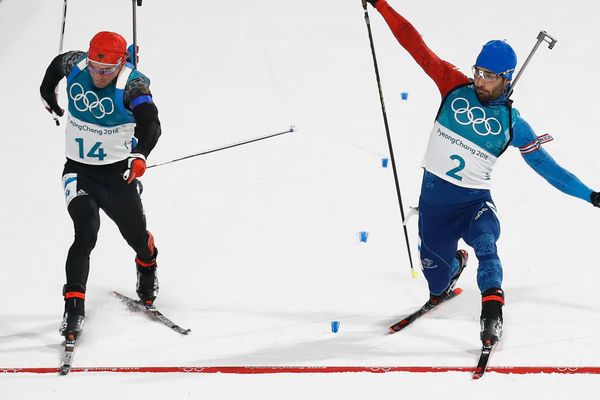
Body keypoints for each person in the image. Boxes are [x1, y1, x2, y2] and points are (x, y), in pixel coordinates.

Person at [365, 0, 600, 347]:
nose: (480, 81)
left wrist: (591, 195)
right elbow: (413, 42)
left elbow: (550, 170)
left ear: (507, 79)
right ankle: (452, 267)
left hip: (474, 204)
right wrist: (381, 3)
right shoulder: (453, 86)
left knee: (488, 247)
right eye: (478, 72)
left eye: (490, 76)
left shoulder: (512, 124)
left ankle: (492, 314)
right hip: (434, 208)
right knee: (435, 282)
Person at [39, 31, 162, 339]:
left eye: (107, 70)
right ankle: (73, 308)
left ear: (121, 64)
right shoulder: (77, 65)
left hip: (118, 177)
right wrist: (49, 97)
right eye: (95, 67)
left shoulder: (133, 84)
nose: (99, 75)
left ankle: (147, 268)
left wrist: (140, 154)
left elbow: (151, 122)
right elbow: (55, 67)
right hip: (78, 173)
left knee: (136, 236)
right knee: (85, 231)